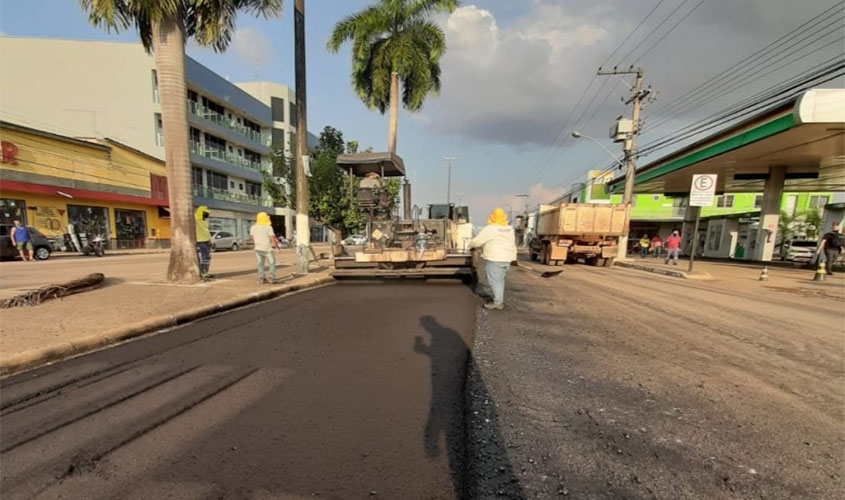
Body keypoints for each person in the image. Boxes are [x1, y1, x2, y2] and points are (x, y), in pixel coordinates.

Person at [469, 208, 517, 310]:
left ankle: (498, 303)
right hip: (506, 259)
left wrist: (470, 245)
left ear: (492, 217)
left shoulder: (491, 228)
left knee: (495, 281)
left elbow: (478, 241)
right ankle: (499, 299)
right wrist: (514, 258)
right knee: (500, 280)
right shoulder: (509, 229)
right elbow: (512, 245)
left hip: (495, 258)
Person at [250, 212, 279, 284]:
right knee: (272, 263)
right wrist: (277, 247)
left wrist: (256, 244)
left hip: (258, 248)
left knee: (260, 264)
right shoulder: (268, 227)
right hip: (267, 249)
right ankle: (272, 278)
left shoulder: (253, 227)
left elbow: (253, 237)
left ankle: (261, 278)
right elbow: (272, 238)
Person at [195, 206, 212, 280]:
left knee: (208, 258)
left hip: (207, 242)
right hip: (201, 242)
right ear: (201, 213)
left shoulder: (204, 221)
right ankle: (203, 273)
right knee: (203, 258)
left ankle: (206, 271)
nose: (207, 214)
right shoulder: (196, 218)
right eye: (205, 213)